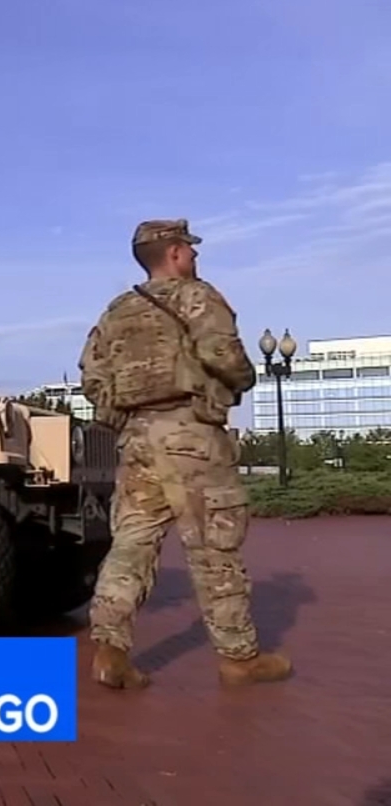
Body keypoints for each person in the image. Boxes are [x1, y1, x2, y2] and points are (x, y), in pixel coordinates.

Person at [78, 218, 292, 690]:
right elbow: (224, 354)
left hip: (137, 442)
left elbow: (92, 374)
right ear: (174, 252)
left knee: (131, 545)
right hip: (191, 438)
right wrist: (241, 380)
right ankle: (239, 658)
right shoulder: (198, 296)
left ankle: (110, 651)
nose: (196, 255)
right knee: (214, 547)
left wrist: (122, 412)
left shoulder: (116, 310)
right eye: (190, 248)